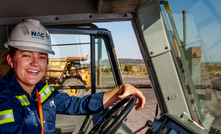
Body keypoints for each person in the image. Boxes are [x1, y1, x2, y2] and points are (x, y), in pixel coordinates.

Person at [0, 19, 145, 134]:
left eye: (42, 57)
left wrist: (121, 90)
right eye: (26, 55)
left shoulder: (42, 91)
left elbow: (78, 105)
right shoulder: (4, 98)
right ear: (10, 60)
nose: (35, 63)